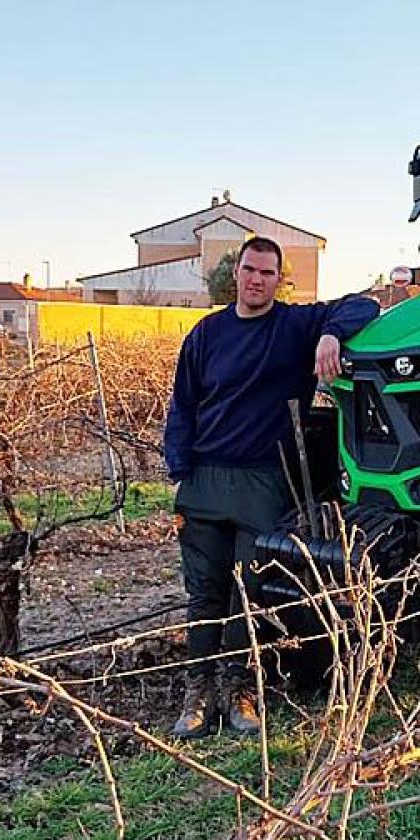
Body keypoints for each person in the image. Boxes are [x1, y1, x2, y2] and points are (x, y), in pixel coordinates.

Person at [164, 236, 380, 739]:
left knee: (248, 589)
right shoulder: (205, 335)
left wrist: (330, 335)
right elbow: (183, 406)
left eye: (267, 272)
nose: (257, 279)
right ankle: (199, 691)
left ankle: (240, 688)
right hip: (205, 479)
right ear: (234, 274)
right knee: (204, 594)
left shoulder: (294, 326)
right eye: (249, 270)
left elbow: (363, 304)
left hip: (264, 482)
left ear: (278, 279)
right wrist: (181, 469)